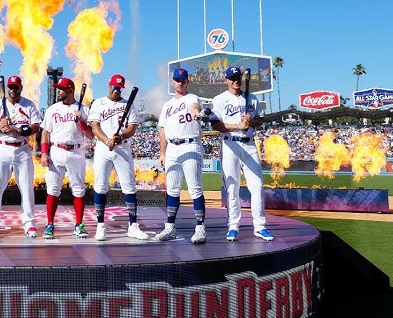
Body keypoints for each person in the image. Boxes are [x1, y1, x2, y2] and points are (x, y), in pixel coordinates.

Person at [209, 66, 274, 241]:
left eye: (237, 78)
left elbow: (260, 120)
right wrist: (239, 125)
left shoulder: (251, 98)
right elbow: (215, 125)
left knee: (257, 186)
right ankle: (233, 226)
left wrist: (250, 121)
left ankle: (260, 226)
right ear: (226, 80)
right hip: (230, 145)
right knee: (232, 188)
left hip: (250, 144)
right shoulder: (219, 99)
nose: (235, 81)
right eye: (232, 78)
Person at [88, 74, 148, 241]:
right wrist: (107, 139)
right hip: (102, 148)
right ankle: (101, 225)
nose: (116, 90)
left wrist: (120, 136)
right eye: (114, 87)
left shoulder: (128, 104)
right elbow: (94, 126)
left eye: (119, 88)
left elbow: (132, 128)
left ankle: (133, 226)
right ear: (109, 86)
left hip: (122, 148)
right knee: (100, 187)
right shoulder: (99, 103)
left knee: (129, 187)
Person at [0, 75, 42, 239]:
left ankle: (29, 223)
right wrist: (0, 126)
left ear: (20, 88)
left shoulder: (28, 105)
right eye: (10, 87)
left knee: (27, 188)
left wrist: (18, 131)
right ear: (7, 88)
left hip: (22, 149)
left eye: (15, 87)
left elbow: (36, 126)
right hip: (2, 148)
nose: (13, 89)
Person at [154, 68, 207, 244]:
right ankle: (170, 228)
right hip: (171, 148)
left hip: (190, 144)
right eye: (177, 80)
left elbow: (195, 107)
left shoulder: (192, 98)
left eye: (183, 80)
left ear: (187, 82)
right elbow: (162, 129)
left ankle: (200, 228)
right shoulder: (167, 105)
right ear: (172, 82)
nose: (180, 82)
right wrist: (162, 152)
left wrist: (196, 113)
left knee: (194, 188)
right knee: (172, 190)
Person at [39, 78, 94, 239]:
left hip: (76, 151)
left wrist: (81, 122)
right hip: (56, 150)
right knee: (53, 190)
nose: (58, 91)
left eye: (61, 89)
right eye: (58, 89)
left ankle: (78, 224)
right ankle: (49, 225)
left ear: (70, 90)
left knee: (78, 189)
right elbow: (45, 132)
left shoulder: (83, 109)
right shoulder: (52, 109)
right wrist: (43, 153)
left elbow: (90, 135)